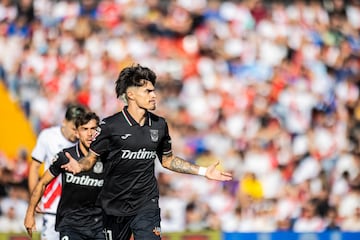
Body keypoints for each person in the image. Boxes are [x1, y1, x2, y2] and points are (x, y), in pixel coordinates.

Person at [61, 64, 233, 240]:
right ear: (131, 95)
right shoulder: (109, 126)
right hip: (113, 206)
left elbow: (167, 160)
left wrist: (203, 171)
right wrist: (79, 166)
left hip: (146, 204)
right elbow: (91, 159)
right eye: (148, 91)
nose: (154, 95)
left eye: (153, 91)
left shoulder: (159, 125)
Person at [25, 111, 105, 240]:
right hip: (71, 224)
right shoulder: (65, 156)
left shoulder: (107, 157)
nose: (90, 134)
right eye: (84, 129)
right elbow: (43, 183)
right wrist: (30, 213)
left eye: (93, 129)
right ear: (77, 133)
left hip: (99, 224)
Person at [28, 103, 86, 240]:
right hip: (53, 207)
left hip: (78, 210)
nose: (76, 133)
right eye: (73, 128)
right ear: (64, 121)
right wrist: (34, 198)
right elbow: (34, 168)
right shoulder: (48, 136)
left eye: (79, 129)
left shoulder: (85, 141)